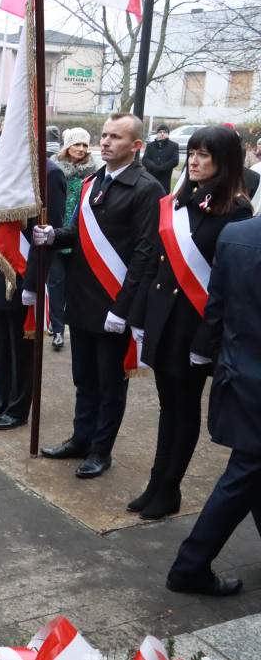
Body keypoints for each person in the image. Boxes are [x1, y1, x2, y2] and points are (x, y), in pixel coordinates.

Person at [125, 125, 253, 520]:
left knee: (184, 407)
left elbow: (224, 285)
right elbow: (154, 263)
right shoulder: (179, 201)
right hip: (165, 318)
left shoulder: (236, 209)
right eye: (191, 153)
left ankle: (169, 488)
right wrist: (141, 317)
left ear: (224, 161)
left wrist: (206, 341)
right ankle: (156, 482)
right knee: (167, 405)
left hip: (196, 324)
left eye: (203, 155)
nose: (193, 162)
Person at [33, 113, 166, 479]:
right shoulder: (94, 181)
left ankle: (100, 450)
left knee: (110, 384)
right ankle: (80, 438)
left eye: (116, 137)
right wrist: (53, 236)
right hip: (83, 297)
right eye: (103, 136)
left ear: (136, 145)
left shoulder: (146, 188)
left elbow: (144, 253)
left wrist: (123, 309)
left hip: (114, 303)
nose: (104, 142)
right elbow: (77, 230)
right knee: (84, 378)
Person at [163, 214, 261, 597]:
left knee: (251, 470)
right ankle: (190, 566)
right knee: (244, 474)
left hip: (239, 371)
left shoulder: (235, 234)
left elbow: (216, 306)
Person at [0, 159, 65, 428]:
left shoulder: (50, 174)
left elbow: (49, 234)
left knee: (21, 347)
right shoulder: (7, 163)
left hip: (25, 270)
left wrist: (34, 281)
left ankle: (18, 407)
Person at [48, 128, 99, 351]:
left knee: (73, 285)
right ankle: (58, 329)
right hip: (57, 234)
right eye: (76, 144)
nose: (80, 149)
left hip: (79, 236)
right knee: (56, 283)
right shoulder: (55, 169)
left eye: (84, 145)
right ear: (67, 146)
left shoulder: (93, 173)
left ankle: (64, 322)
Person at [143, 124, 180, 191]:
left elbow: (175, 160)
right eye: (160, 132)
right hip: (151, 175)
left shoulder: (174, 146)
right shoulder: (150, 145)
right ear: (157, 134)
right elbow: (145, 159)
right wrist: (153, 167)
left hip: (165, 177)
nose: (162, 134)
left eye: (164, 132)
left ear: (168, 134)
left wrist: (161, 168)